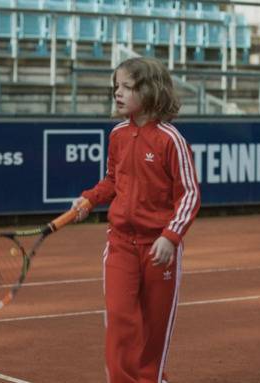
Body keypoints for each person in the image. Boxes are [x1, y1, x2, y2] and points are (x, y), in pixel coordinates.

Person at [72, 57, 201, 383]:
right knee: (119, 320)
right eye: (116, 86)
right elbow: (113, 180)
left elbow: (189, 195)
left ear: (150, 91)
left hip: (159, 249)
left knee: (154, 330)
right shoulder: (117, 134)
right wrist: (90, 198)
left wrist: (170, 237)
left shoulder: (171, 139)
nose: (117, 93)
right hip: (120, 245)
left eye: (127, 87)